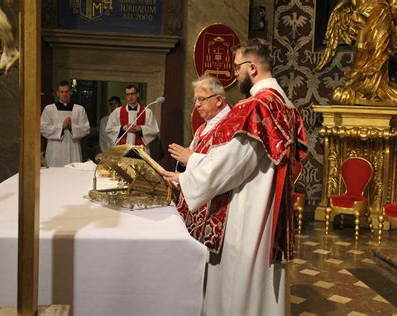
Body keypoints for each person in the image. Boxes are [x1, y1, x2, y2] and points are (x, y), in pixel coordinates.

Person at [164, 38, 307, 315]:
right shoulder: (288, 106)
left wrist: (188, 171)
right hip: (272, 209)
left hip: (249, 208)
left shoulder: (256, 107)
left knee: (238, 286)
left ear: (252, 67)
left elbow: (229, 166)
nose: (234, 74)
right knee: (263, 284)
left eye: (237, 67)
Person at [170, 75, 231, 172]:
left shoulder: (231, 126)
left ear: (218, 100)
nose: (197, 105)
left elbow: (223, 168)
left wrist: (190, 158)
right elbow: (188, 159)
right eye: (195, 100)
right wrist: (183, 159)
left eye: (201, 99)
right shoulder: (201, 129)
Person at [41, 80, 90, 167]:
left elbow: (86, 129)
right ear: (57, 93)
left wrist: (72, 127)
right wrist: (61, 126)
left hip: (73, 147)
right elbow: (43, 128)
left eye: (67, 91)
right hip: (55, 149)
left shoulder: (79, 109)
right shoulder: (49, 109)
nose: (64, 94)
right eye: (62, 92)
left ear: (70, 92)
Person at [105, 85, 159, 155]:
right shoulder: (117, 112)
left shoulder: (147, 111)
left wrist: (140, 129)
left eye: (132, 94)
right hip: (122, 150)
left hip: (141, 150)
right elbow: (109, 130)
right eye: (128, 94)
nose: (130, 96)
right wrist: (123, 128)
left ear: (137, 94)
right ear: (125, 96)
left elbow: (154, 130)